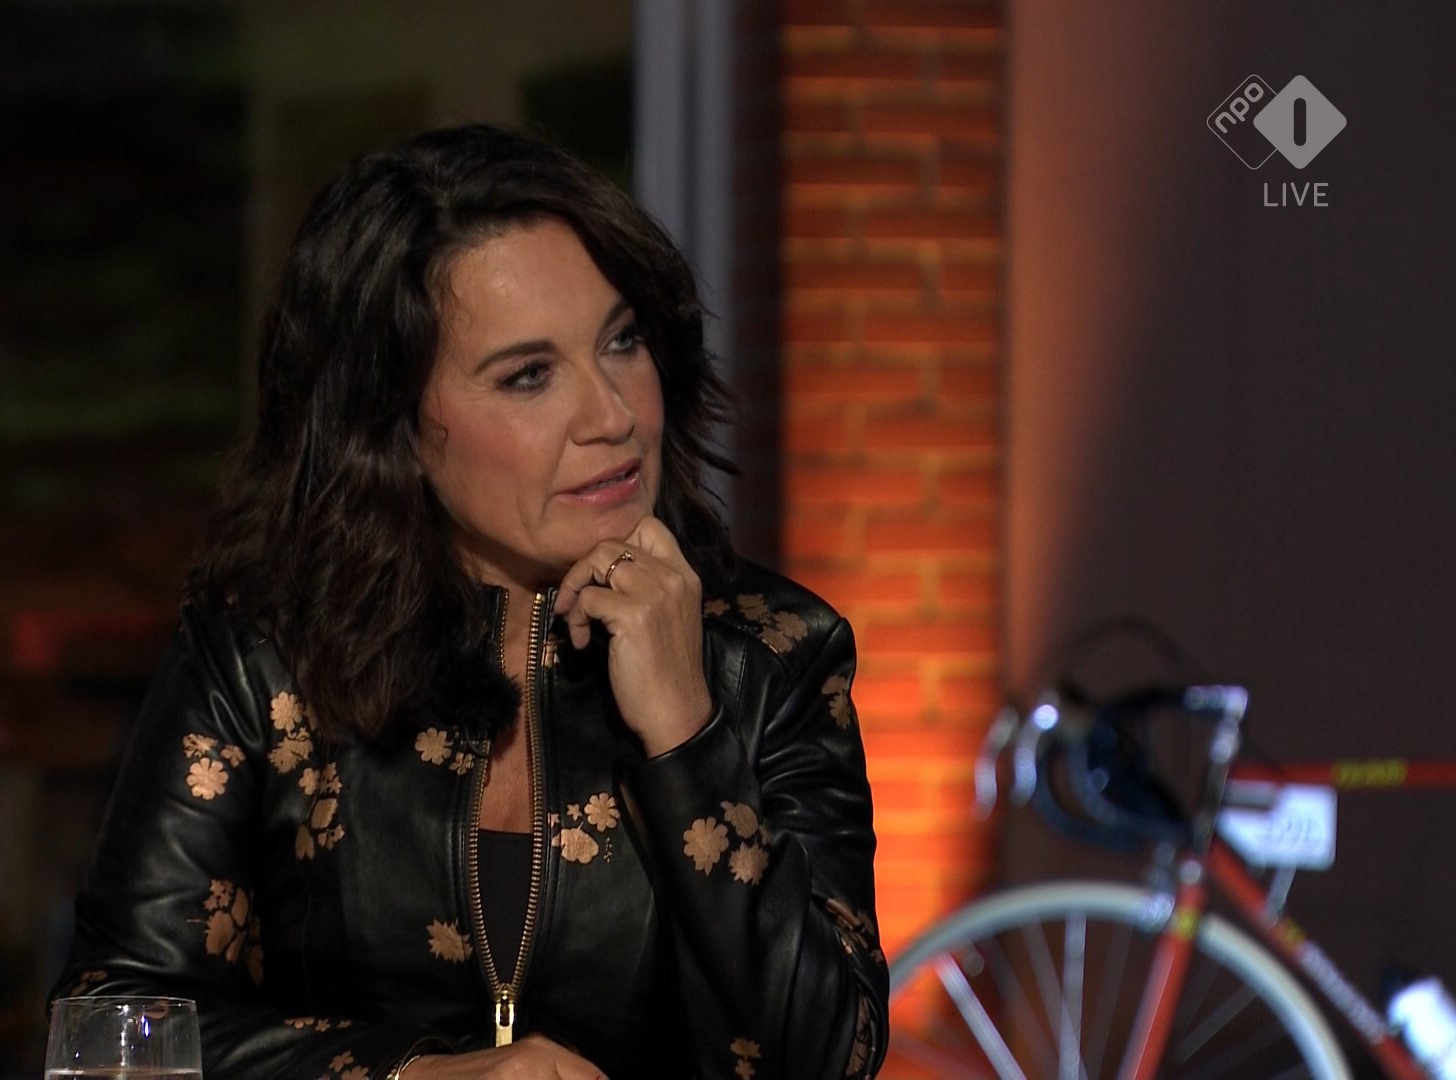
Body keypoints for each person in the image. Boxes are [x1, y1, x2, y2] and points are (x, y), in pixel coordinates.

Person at [54, 124, 887, 1080]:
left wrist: (685, 734)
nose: (613, 415)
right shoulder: (265, 654)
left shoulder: (775, 653)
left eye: (622, 342)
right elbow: (109, 1026)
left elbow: (835, 1057)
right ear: (396, 427)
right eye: (529, 376)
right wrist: (415, 1076)